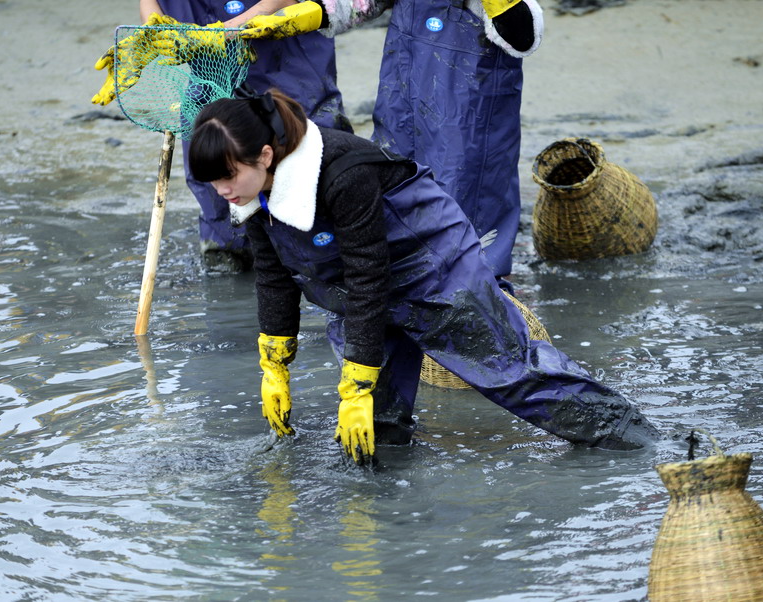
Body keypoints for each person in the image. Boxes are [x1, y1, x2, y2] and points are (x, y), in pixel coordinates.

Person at [187, 87, 661, 465]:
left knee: (510, 373)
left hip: (432, 266)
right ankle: (386, 508)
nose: (221, 191)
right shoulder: (250, 194)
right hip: (359, 287)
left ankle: (642, 443)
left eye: (228, 176)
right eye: (212, 182)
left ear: (265, 156)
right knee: (369, 422)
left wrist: (355, 380)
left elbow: (368, 272)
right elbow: (275, 275)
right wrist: (274, 360)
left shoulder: (342, 171)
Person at [240, 0, 544, 287]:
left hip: (468, 115)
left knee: (465, 204)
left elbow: (523, 35)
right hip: (401, 103)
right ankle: (407, 303)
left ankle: (484, 303)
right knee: (393, 192)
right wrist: (303, 15)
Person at [105, 1, 352, 272]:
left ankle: (331, 265)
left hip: (278, 48)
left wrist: (231, 30)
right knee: (217, 165)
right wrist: (155, 25)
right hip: (203, 58)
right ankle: (230, 257)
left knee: (304, 167)